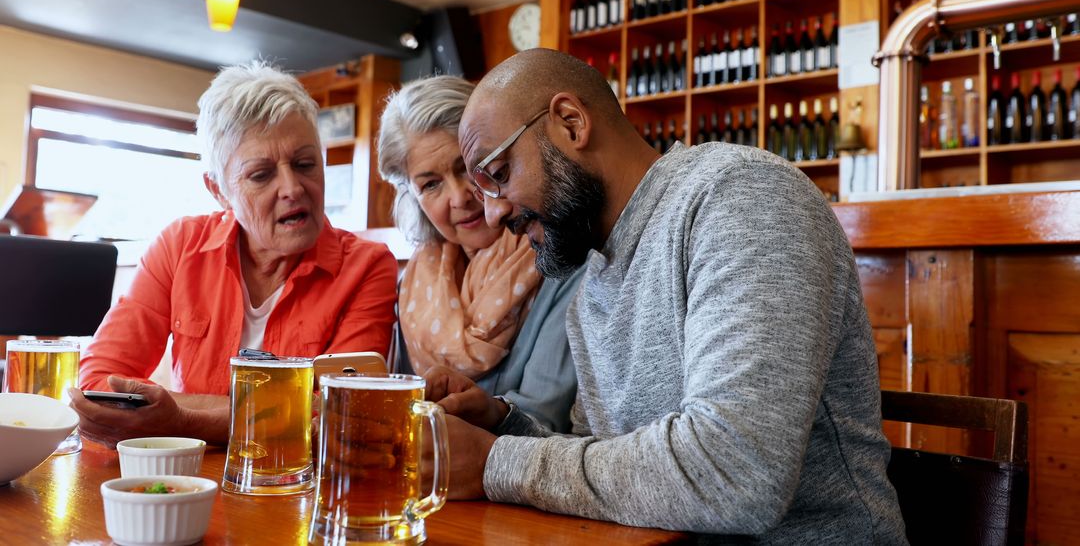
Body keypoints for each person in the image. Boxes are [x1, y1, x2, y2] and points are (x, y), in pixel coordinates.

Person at [425, 48, 908, 543]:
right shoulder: (595, 273)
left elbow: (735, 475)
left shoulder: (741, 197)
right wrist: (504, 427)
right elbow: (604, 464)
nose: (491, 216)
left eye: (499, 175)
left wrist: (493, 462)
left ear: (570, 123)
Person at [69, 61, 398, 447]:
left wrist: (182, 420)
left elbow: (344, 415)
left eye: (305, 164)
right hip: (186, 481)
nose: (293, 188)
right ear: (219, 190)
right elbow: (99, 386)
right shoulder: (179, 246)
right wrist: (271, 413)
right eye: (261, 175)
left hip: (295, 490)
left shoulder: (368, 266)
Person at [377, 75, 579, 432]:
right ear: (412, 198)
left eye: (469, 168)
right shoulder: (412, 285)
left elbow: (546, 419)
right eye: (430, 184)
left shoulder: (560, 256)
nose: (459, 198)